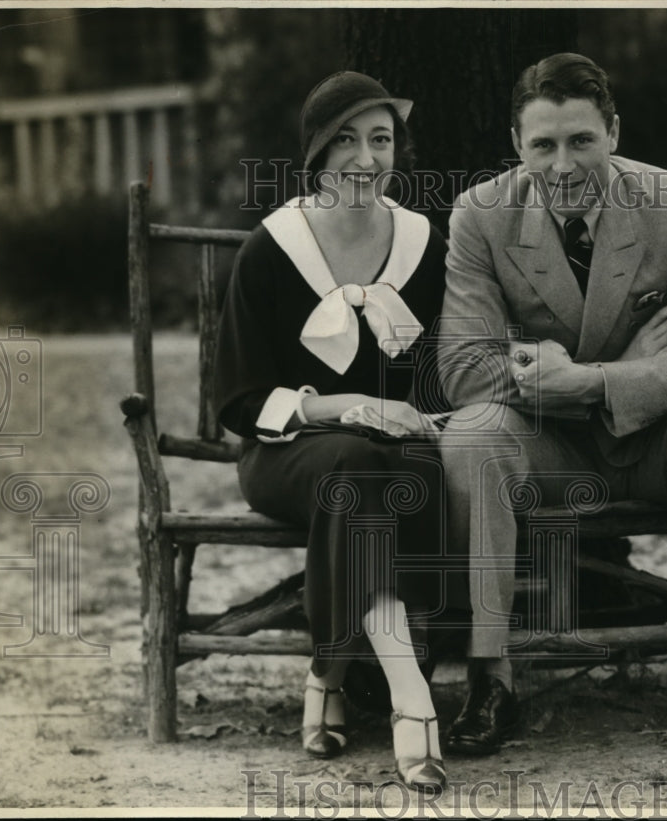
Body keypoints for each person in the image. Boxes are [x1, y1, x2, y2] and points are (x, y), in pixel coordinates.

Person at [437, 52, 667, 757]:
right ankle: (489, 677)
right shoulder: (480, 216)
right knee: (472, 435)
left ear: (614, 132)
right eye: (543, 146)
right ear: (517, 147)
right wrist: (630, 362)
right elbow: (465, 370)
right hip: (548, 450)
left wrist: (591, 379)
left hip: (655, 443)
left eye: (581, 140)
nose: (563, 166)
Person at [214, 71, 464, 793]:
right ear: (317, 152)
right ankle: (410, 695)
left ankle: (327, 671)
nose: (365, 157)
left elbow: (439, 378)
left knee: (408, 470)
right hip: (286, 452)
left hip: (394, 457)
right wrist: (346, 403)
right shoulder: (272, 247)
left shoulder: (424, 242)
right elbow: (236, 399)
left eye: (381, 139)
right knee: (356, 463)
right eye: (347, 140)